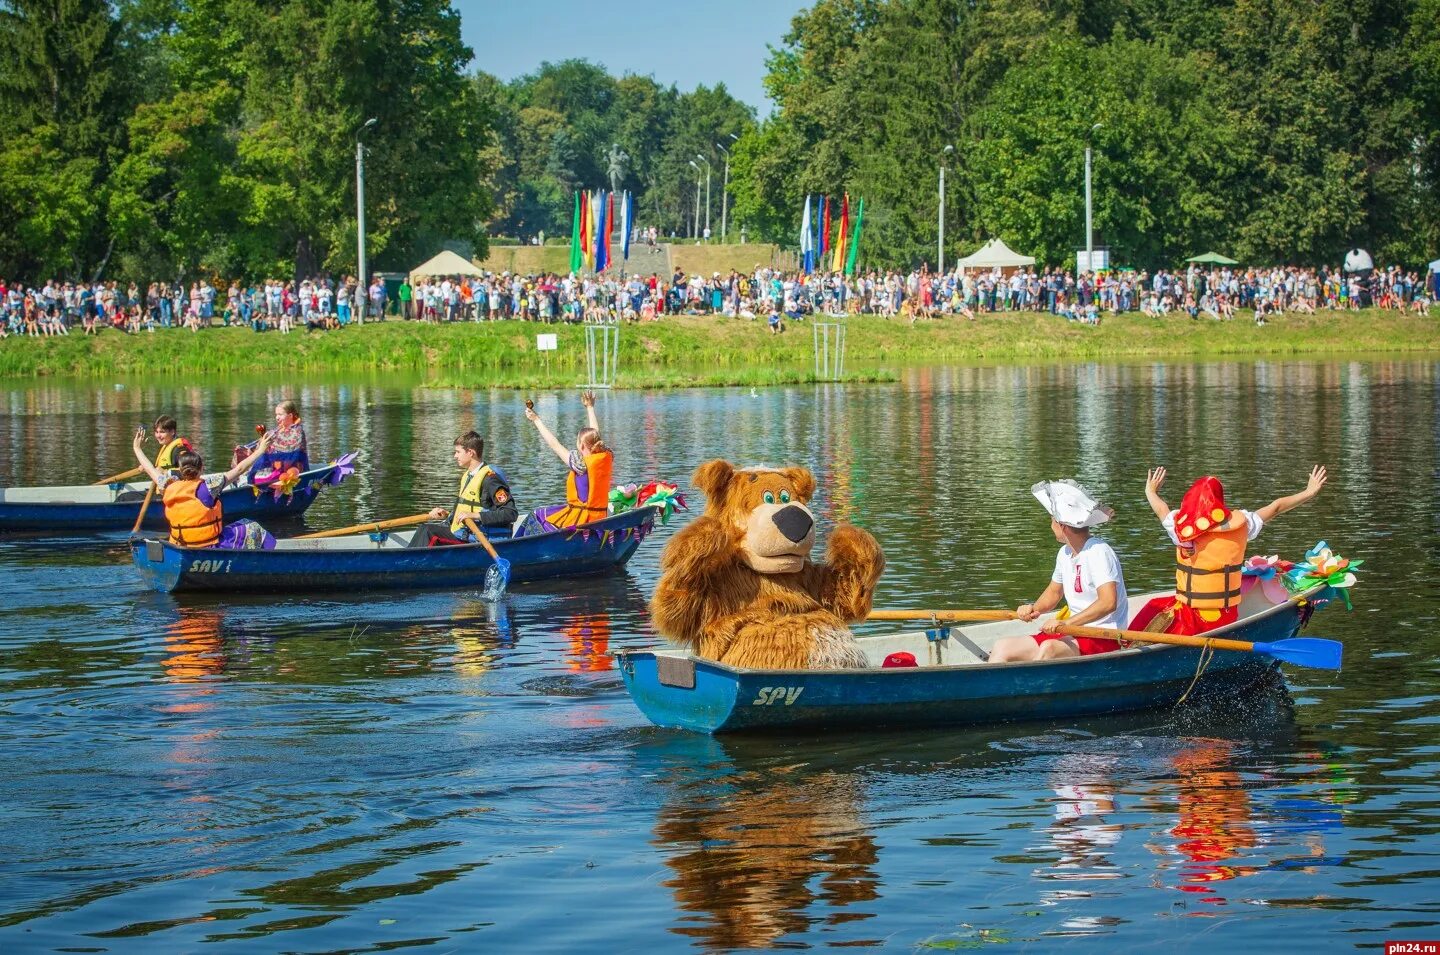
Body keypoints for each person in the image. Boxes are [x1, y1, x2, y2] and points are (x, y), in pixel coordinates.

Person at [1129, 466, 1328, 635]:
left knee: (1152, 610)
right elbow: (1275, 507)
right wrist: (1309, 492)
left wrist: (1151, 491)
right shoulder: (1242, 523)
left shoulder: (1179, 528)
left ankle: (1130, 646)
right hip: (1226, 615)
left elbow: (1161, 509)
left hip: (1191, 618)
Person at [989, 480, 1130, 662]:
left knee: (1050, 649)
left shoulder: (1099, 551)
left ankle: (1031, 689)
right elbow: (1054, 593)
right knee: (1003, 646)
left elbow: (1108, 603)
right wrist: (1033, 608)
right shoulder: (1064, 553)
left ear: (1062, 525)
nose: (1051, 526)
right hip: (1072, 631)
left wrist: (1066, 623)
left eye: (1052, 521)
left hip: (1104, 635)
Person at [133, 427, 274, 549]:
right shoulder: (210, 486)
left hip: (180, 544)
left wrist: (137, 448)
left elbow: (150, 468)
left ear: (181, 471)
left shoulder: (168, 485)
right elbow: (239, 469)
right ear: (201, 469)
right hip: (208, 545)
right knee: (252, 526)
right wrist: (260, 449)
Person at [522, 391, 614, 530]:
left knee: (536, 515)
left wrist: (536, 420)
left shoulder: (580, 464)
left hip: (581, 520)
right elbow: (595, 435)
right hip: (600, 517)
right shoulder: (605, 457)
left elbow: (554, 444)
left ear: (581, 445)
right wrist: (590, 407)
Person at [423, 430, 519, 544]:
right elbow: (468, 508)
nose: (455, 456)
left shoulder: (490, 479)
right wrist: (447, 514)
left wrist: (475, 515)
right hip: (463, 533)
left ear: (470, 452)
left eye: (458, 452)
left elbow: (510, 513)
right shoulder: (468, 476)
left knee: (427, 531)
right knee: (426, 528)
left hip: (478, 539)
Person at [250, 400, 309, 484]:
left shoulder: (297, 431)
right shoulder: (279, 429)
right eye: (276, 414)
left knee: (263, 478)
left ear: (290, 416)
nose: (277, 417)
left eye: (280, 415)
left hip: (294, 469)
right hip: (279, 467)